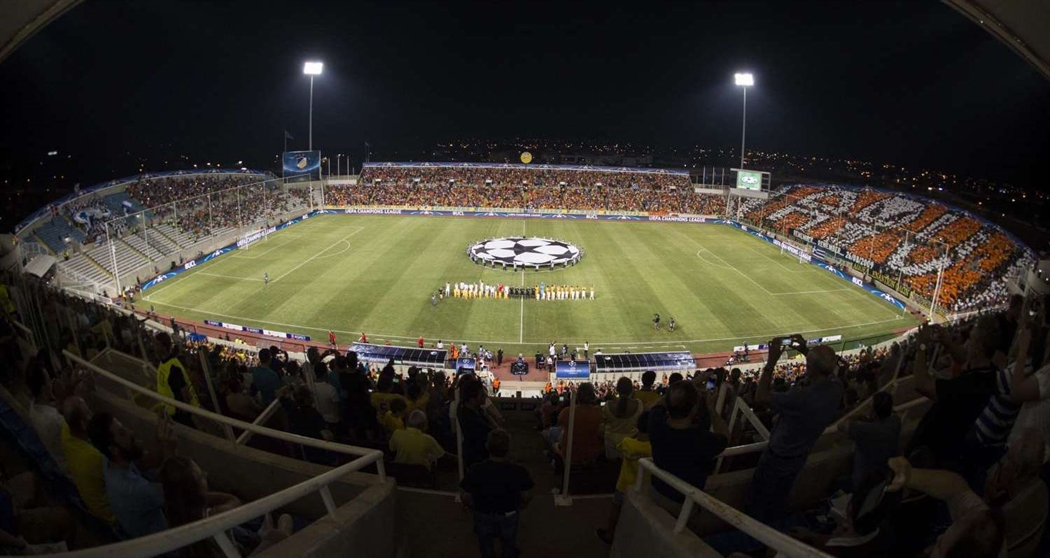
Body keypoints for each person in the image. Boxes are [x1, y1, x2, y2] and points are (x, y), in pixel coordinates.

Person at [748, 334, 843, 527]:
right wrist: (806, 351)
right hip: (800, 455)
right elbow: (828, 371)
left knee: (758, 500)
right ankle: (773, 526)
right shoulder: (836, 387)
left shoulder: (802, 398)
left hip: (778, 456)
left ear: (811, 368)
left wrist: (771, 361)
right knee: (779, 498)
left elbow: (760, 397)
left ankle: (754, 531)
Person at [885, 457, 1006, 558]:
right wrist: (909, 476)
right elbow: (956, 490)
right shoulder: (982, 526)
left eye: (940, 546)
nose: (939, 537)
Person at [87, 412, 178, 538]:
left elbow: (146, 463)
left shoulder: (110, 459)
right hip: (163, 540)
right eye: (122, 433)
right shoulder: (132, 489)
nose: (131, 432)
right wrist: (171, 450)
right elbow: (175, 490)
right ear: (114, 449)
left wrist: (159, 438)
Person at [648, 380, 729, 516]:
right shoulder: (702, 440)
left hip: (655, 492)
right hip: (683, 505)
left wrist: (685, 387)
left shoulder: (655, 422)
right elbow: (725, 436)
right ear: (694, 409)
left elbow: (659, 404)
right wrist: (711, 408)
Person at [459, 429, 534, 558]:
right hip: (509, 513)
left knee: (485, 545)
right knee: (509, 544)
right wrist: (520, 505)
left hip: (483, 513)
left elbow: (464, 495)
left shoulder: (476, 469)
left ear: (487, 446)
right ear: (508, 448)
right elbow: (527, 495)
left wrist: (472, 506)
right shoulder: (518, 471)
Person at [596, 411, 651, 545]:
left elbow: (620, 447)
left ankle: (610, 533)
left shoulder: (628, 443)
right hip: (644, 486)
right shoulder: (653, 448)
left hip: (623, 484)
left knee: (616, 508)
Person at [61, 397, 115, 525]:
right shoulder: (95, 457)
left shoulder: (66, 431)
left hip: (94, 504)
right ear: (83, 424)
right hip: (112, 513)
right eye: (88, 411)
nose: (92, 412)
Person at [838, 391, 900, 492]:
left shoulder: (865, 429)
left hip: (863, 482)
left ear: (873, 412)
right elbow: (893, 413)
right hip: (884, 476)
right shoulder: (895, 422)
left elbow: (840, 425)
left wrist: (859, 414)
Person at [155, 332, 200, 428]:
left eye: (157, 344)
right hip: (171, 411)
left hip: (179, 413)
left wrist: (185, 410)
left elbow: (184, 392)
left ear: (164, 347)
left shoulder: (173, 368)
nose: (154, 347)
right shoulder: (164, 362)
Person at [27, 366, 67, 470]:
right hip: (70, 461)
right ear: (43, 388)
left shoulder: (33, 406)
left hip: (58, 458)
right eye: (49, 380)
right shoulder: (55, 419)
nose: (52, 382)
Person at [601, 377, 643, 460]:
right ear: (631, 390)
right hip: (632, 441)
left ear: (617, 389)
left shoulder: (608, 405)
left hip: (611, 442)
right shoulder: (639, 404)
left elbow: (603, 423)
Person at [458, 378, 492, 469]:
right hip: (477, 459)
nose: (485, 397)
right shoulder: (472, 418)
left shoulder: (474, 410)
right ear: (472, 399)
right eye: (482, 395)